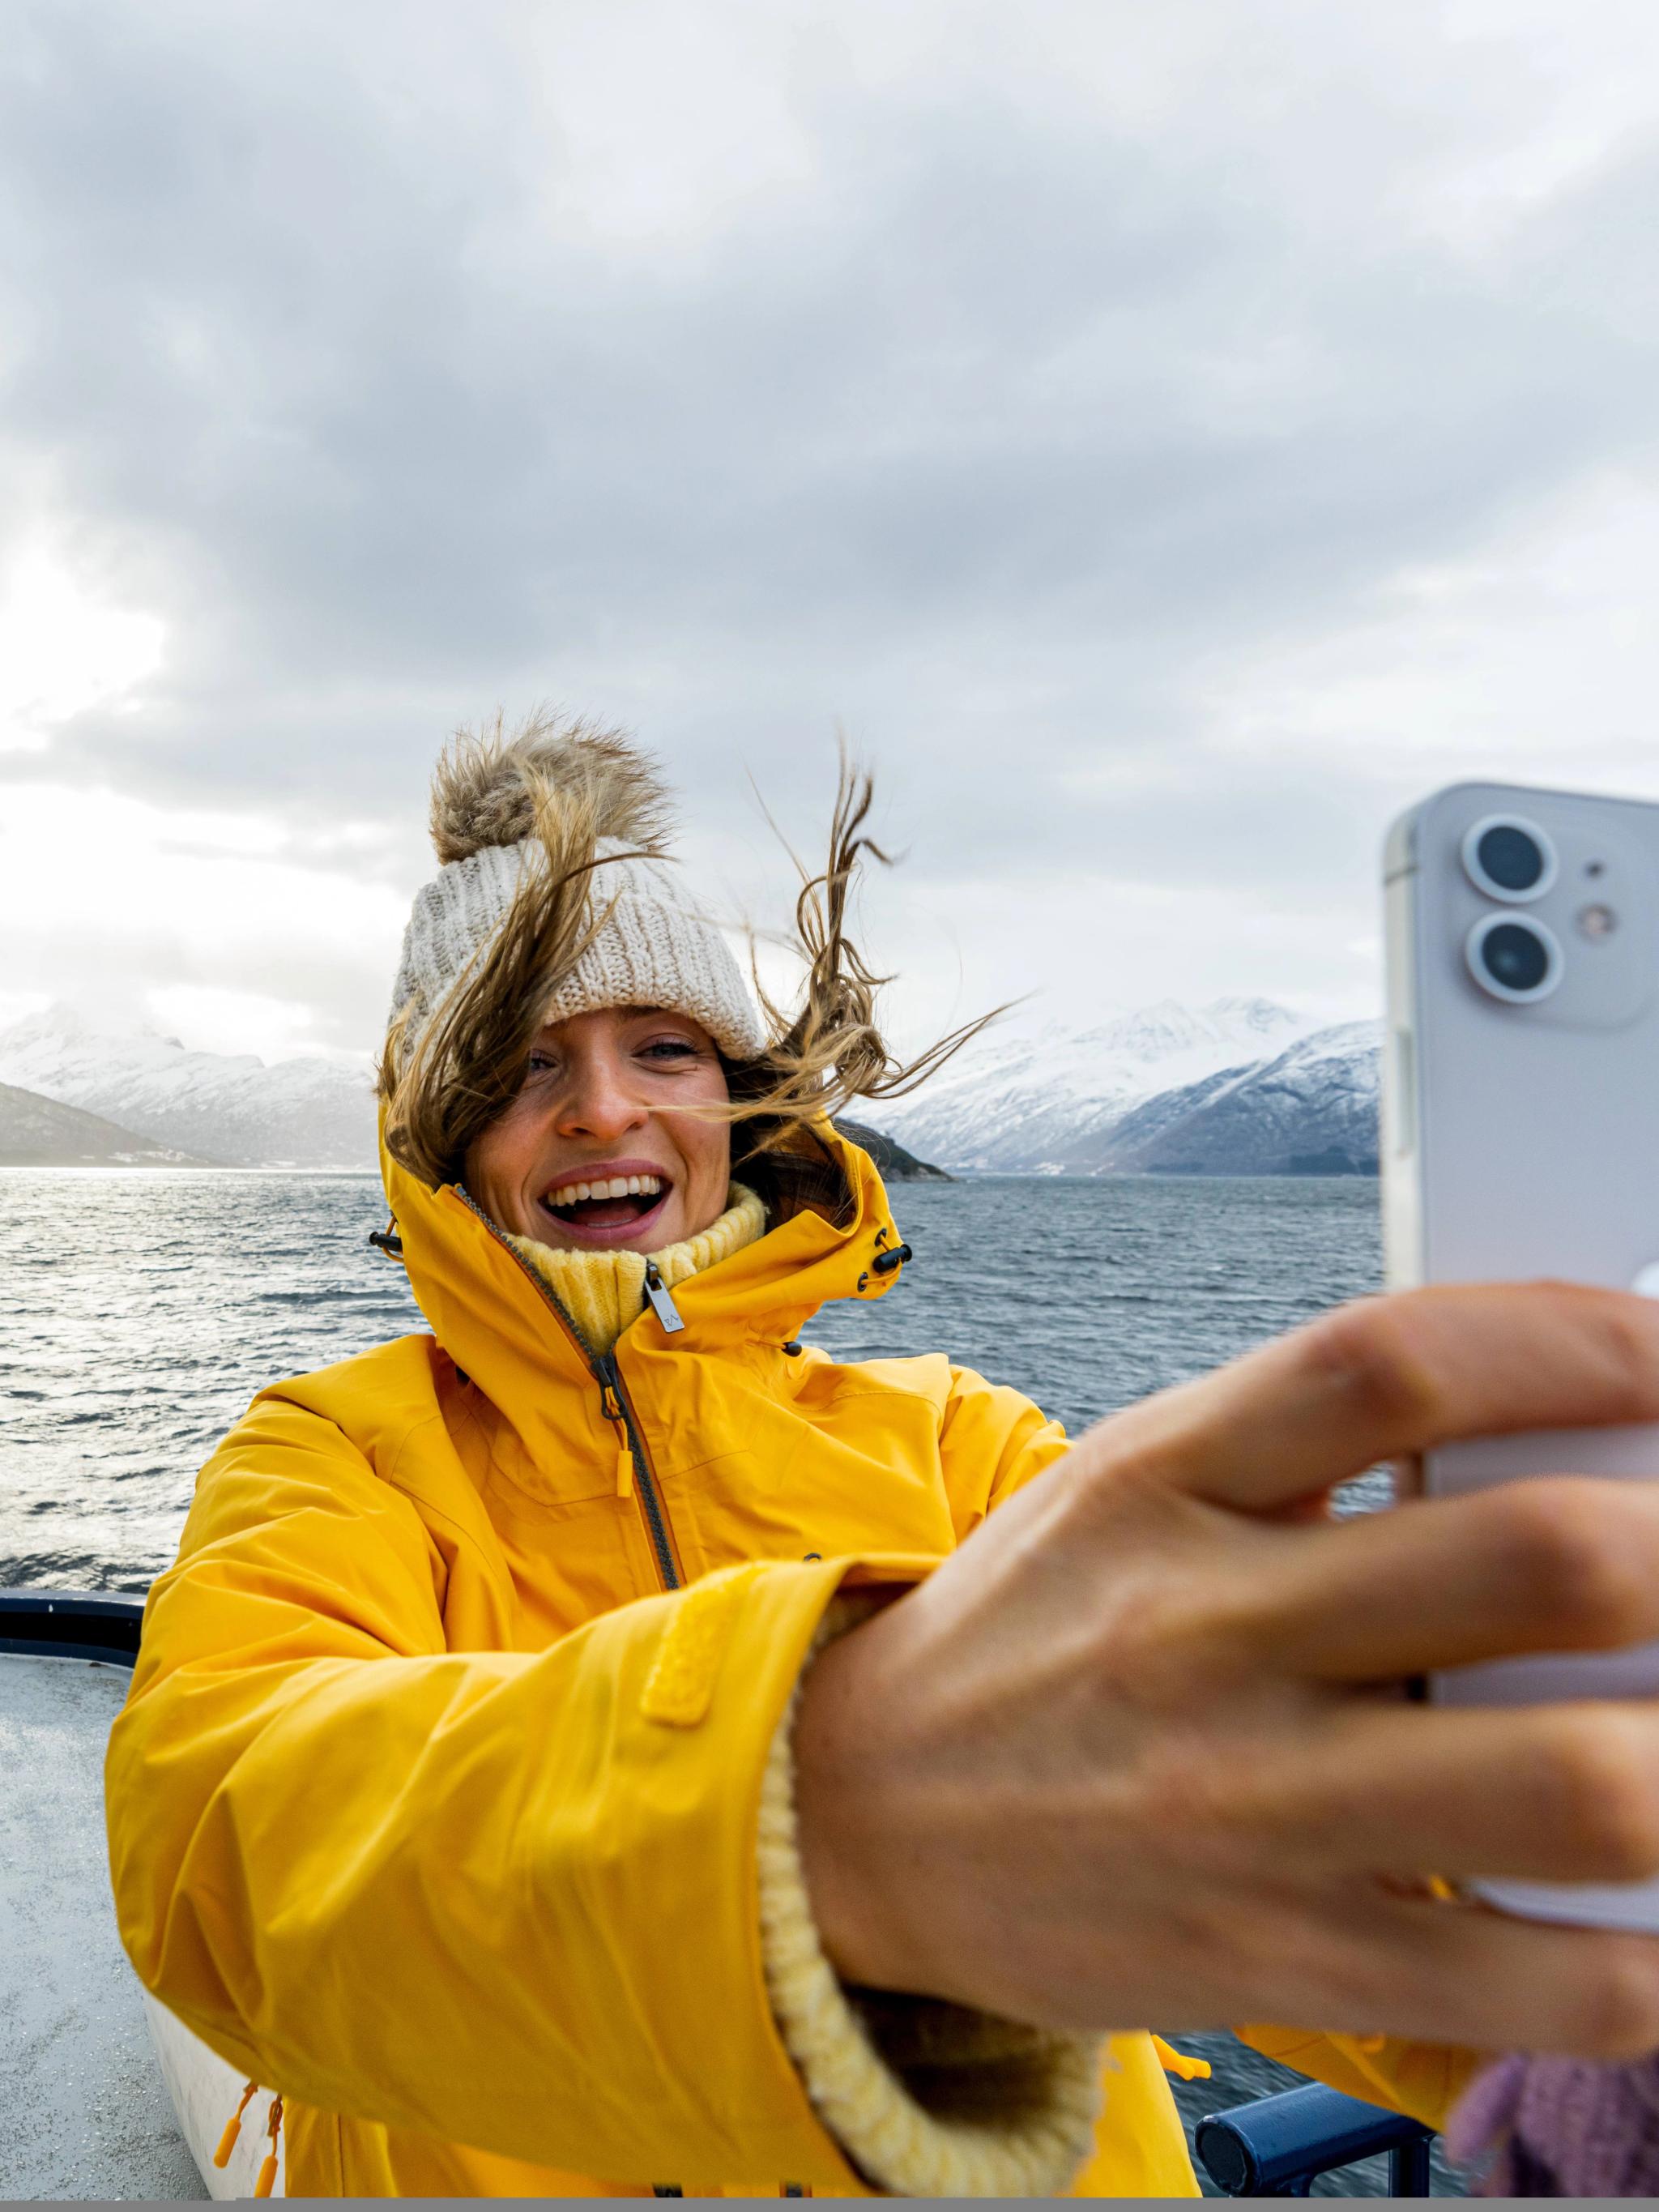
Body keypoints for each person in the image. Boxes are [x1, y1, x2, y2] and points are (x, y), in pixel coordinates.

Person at [107, 713, 1659, 2198]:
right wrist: (817, 1815)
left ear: (732, 1092)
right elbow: (230, 1837)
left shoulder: (964, 1444)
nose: (602, 1110)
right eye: (520, 1067)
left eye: (663, 1045)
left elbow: (1286, 1829)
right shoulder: (337, 1457)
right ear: (445, 1136)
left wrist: (1587, 2003)